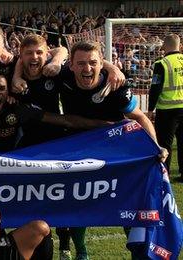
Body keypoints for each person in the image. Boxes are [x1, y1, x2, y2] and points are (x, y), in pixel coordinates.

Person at [59, 41, 167, 260]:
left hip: (118, 153)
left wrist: (154, 146)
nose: (87, 69)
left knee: (126, 200)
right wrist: (110, 65)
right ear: (71, 65)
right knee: (80, 201)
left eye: (93, 63)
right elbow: (52, 53)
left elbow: (140, 117)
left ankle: (137, 250)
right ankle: (81, 251)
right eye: (80, 63)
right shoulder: (63, 78)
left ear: (101, 64)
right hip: (81, 151)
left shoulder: (116, 86)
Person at [0, 72, 109, 151]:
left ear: (7, 92)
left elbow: (65, 120)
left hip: (9, 168)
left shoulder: (18, 109)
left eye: (2, 89)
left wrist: (106, 124)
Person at [148, 34, 183, 181]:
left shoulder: (162, 63)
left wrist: (150, 110)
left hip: (168, 110)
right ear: (179, 46)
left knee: (165, 144)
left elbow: (156, 88)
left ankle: (165, 174)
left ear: (164, 46)